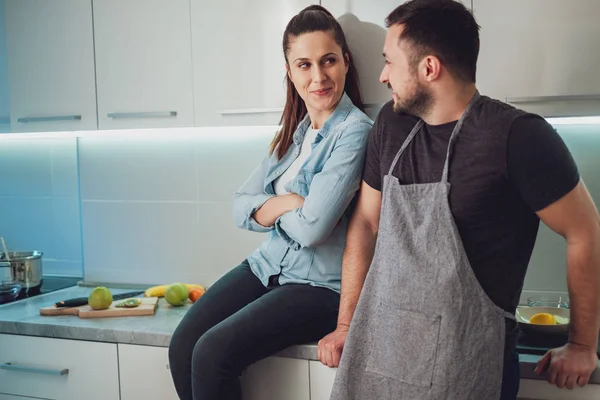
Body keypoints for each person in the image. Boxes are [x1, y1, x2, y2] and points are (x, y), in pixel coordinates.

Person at [317, 1, 600, 399]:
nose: (382, 76)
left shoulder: (517, 137)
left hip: (466, 363)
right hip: (381, 351)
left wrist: (583, 345)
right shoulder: (391, 124)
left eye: (390, 62)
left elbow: (586, 230)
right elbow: (366, 223)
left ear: (429, 68)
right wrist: (347, 324)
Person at [167, 5, 373, 400]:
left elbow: (313, 230)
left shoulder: (355, 133)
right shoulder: (292, 134)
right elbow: (238, 205)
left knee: (212, 353)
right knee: (183, 344)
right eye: (305, 64)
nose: (318, 76)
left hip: (319, 287)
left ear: (345, 61)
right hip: (268, 266)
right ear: (290, 71)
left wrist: (269, 206)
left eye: (328, 60)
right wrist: (289, 202)